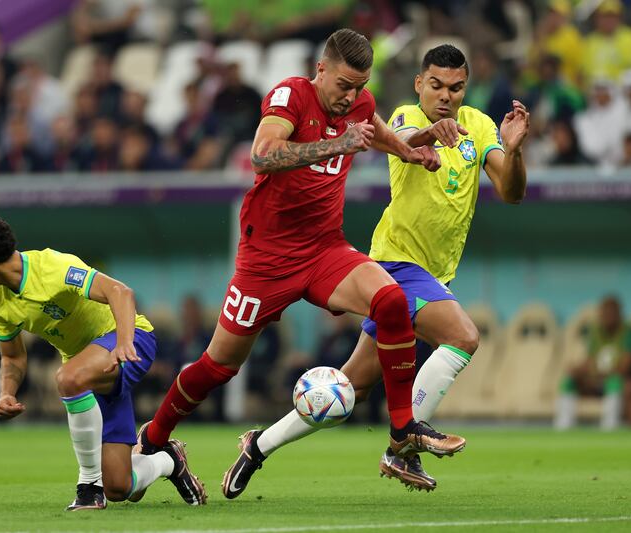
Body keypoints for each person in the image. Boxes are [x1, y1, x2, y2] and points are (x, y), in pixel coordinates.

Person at [132, 29, 465, 503]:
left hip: (324, 249)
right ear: (321, 69)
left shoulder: (358, 104)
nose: (350, 96)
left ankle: (401, 433)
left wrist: (412, 149)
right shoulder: (291, 94)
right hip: (266, 260)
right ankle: (156, 439)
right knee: (218, 365)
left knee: (391, 299)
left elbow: (378, 132)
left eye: (360, 87)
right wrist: (337, 146)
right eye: (344, 85)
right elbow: (262, 156)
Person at [223, 44, 529, 495]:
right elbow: (404, 141)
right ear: (419, 85)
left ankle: (258, 446)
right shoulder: (405, 116)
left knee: (349, 390)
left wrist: (514, 151)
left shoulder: (480, 126)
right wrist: (431, 133)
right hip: (396, 263)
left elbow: (511, 191)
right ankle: (402, 442)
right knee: (463, 337)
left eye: (456, 88)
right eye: (436, 86)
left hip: (435, 274)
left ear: (467, 88)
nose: (445, 96)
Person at [0, 211, 206, 510]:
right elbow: (13, 356)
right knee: (121, 486)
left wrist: (123, 342)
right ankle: (167, 460)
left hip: (130, 341)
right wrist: (6, 392)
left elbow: (120, 292)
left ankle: (88, 488)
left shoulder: (52, 267)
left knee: (68, 377)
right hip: (88, 371)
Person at [555, 295, 631, 430]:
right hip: (596, 381)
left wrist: (596, 372)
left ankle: (609, 426)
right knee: (569, 380)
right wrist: (577, 370)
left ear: (619, 313)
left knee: (615, 382)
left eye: (611, 312)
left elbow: (625, 367)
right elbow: (589, 361)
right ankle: (564, 426)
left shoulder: (630, 332)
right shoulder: (596, 332)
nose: (607, 316)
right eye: (604, 312)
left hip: (616, 382)